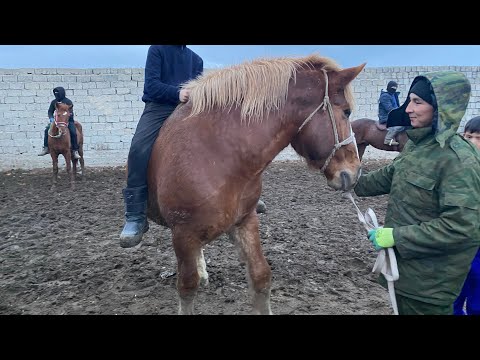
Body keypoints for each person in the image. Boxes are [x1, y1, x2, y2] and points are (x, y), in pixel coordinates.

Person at [354, 71, 480, 315]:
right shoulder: (417, 145)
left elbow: (461, 227)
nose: (408, 108)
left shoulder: (458, 161)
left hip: (430, 287)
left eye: (417, 102)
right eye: (409, 100)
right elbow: (390, 175)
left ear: (442, 108)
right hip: (405, 274)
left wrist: (396, 237)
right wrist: (349, 182)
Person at [453, 116, 480, 315]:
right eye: (468, 136)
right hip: (457, 249)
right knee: (451, 299)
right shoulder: (455, 168)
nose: (471, 142)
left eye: (478, 138)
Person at [38, 87, 81, 159]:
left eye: (58, 93)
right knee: (47, 130)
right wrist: (51, 118)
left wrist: (66, 119)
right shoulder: (54, 102)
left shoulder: (68, 102)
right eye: (55, 94)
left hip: (67, 121)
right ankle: (46, 148)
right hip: (57, 121)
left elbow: (70, 113)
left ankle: (74, 150)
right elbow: (50, 111)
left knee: (73, 132)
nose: (56, 95)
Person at [378, 80, 404, 146]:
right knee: (400, 126)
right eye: (392, 88)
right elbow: (389, 109)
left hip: (393, 115)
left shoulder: (394, 95)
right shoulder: (385, 96)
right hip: (386, 117)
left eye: (395, 88)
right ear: (389, 87)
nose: (394, 90)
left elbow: (397, 106)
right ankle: (388, 139)